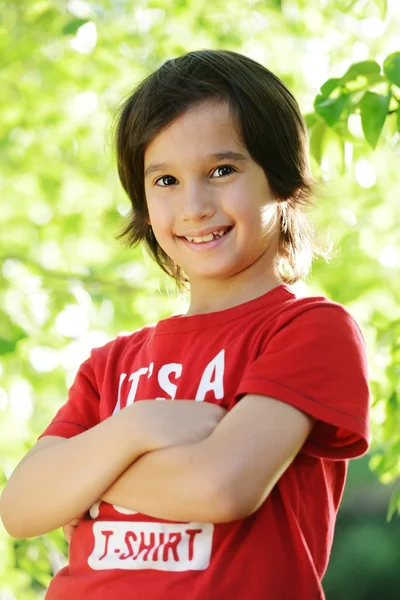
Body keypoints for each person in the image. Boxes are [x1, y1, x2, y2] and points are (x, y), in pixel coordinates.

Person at [0, 49, 370, 599]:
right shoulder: (112, 364)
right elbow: (22, 506)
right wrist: (138, 427)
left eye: (222, 170)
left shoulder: (309, 329)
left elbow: (221, 487)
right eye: (166, 180)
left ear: (281, 177)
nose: (194, 205)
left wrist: (83, 479)